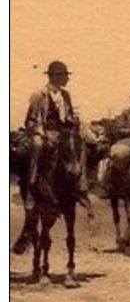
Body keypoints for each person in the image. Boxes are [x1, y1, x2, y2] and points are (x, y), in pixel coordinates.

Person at [24, 60, 77, 210]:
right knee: (38, 145)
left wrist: (72, 121)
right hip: (42, 132)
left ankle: (80, 183)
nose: (67, 79)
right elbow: (30, 120)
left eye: (66, 75)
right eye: (64, 76)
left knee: (80, 146)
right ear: (54, 77)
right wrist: (42, 133)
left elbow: (69, 116)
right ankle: (31, 186)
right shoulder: (39, 95)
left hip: (62, 133)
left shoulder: (65, 95)